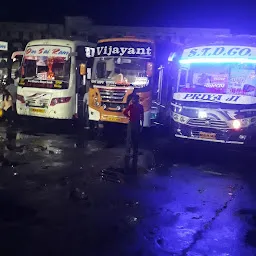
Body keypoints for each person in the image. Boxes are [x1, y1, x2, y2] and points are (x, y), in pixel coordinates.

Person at [123, 94, 144, 172]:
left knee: (129, 138)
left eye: (133, 99)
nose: (133, 100)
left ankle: (128, 152)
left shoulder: (131, 106)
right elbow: (142, 116)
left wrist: (129, 117)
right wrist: (142, 124)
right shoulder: (140, 107)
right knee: (135, 138)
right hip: (136, 123)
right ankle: (135, 152)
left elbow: (125, 112)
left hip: (131, 123)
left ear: (136, 99)